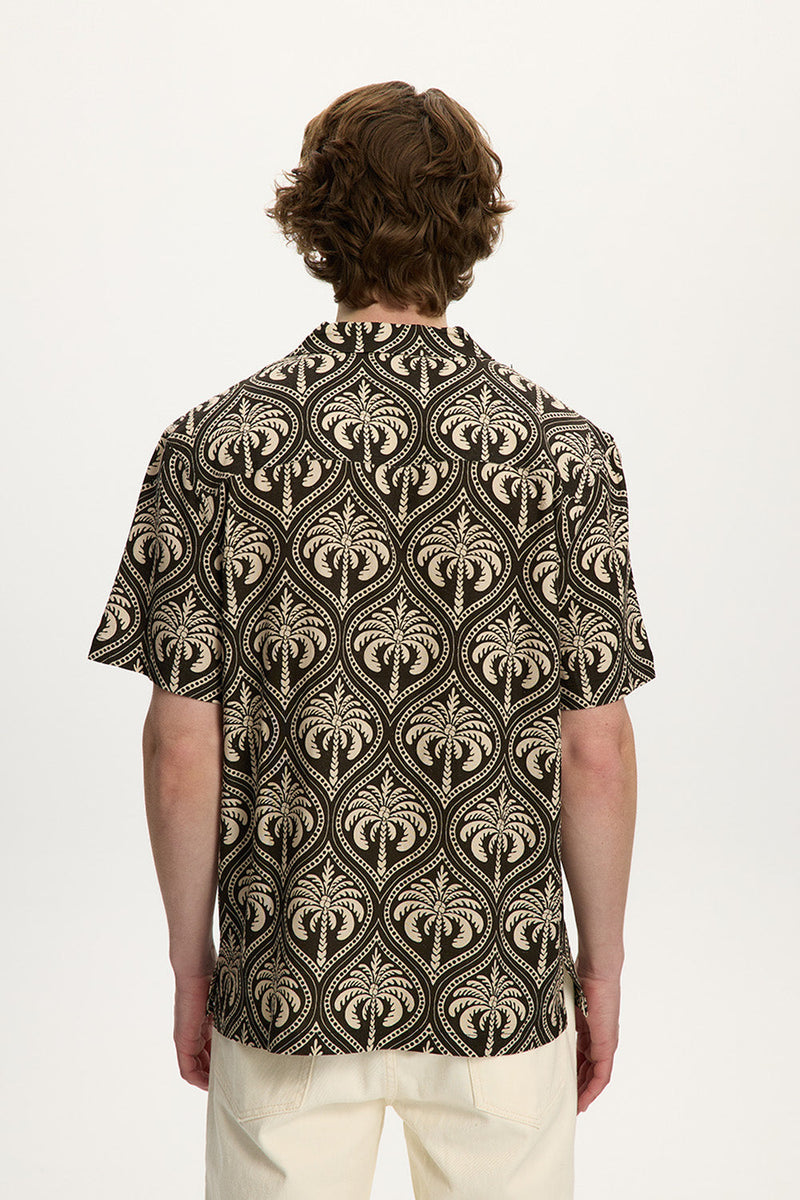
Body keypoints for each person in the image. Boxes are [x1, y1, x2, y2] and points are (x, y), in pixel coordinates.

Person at [87, 80, 656, 1200]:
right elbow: (595, 750)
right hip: (497, 977)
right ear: (473, 226)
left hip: (287, 976)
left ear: (315, 222)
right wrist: (600, 967)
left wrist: (192, 966)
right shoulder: (565, 455)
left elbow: (180, 748)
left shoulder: (215, 448)